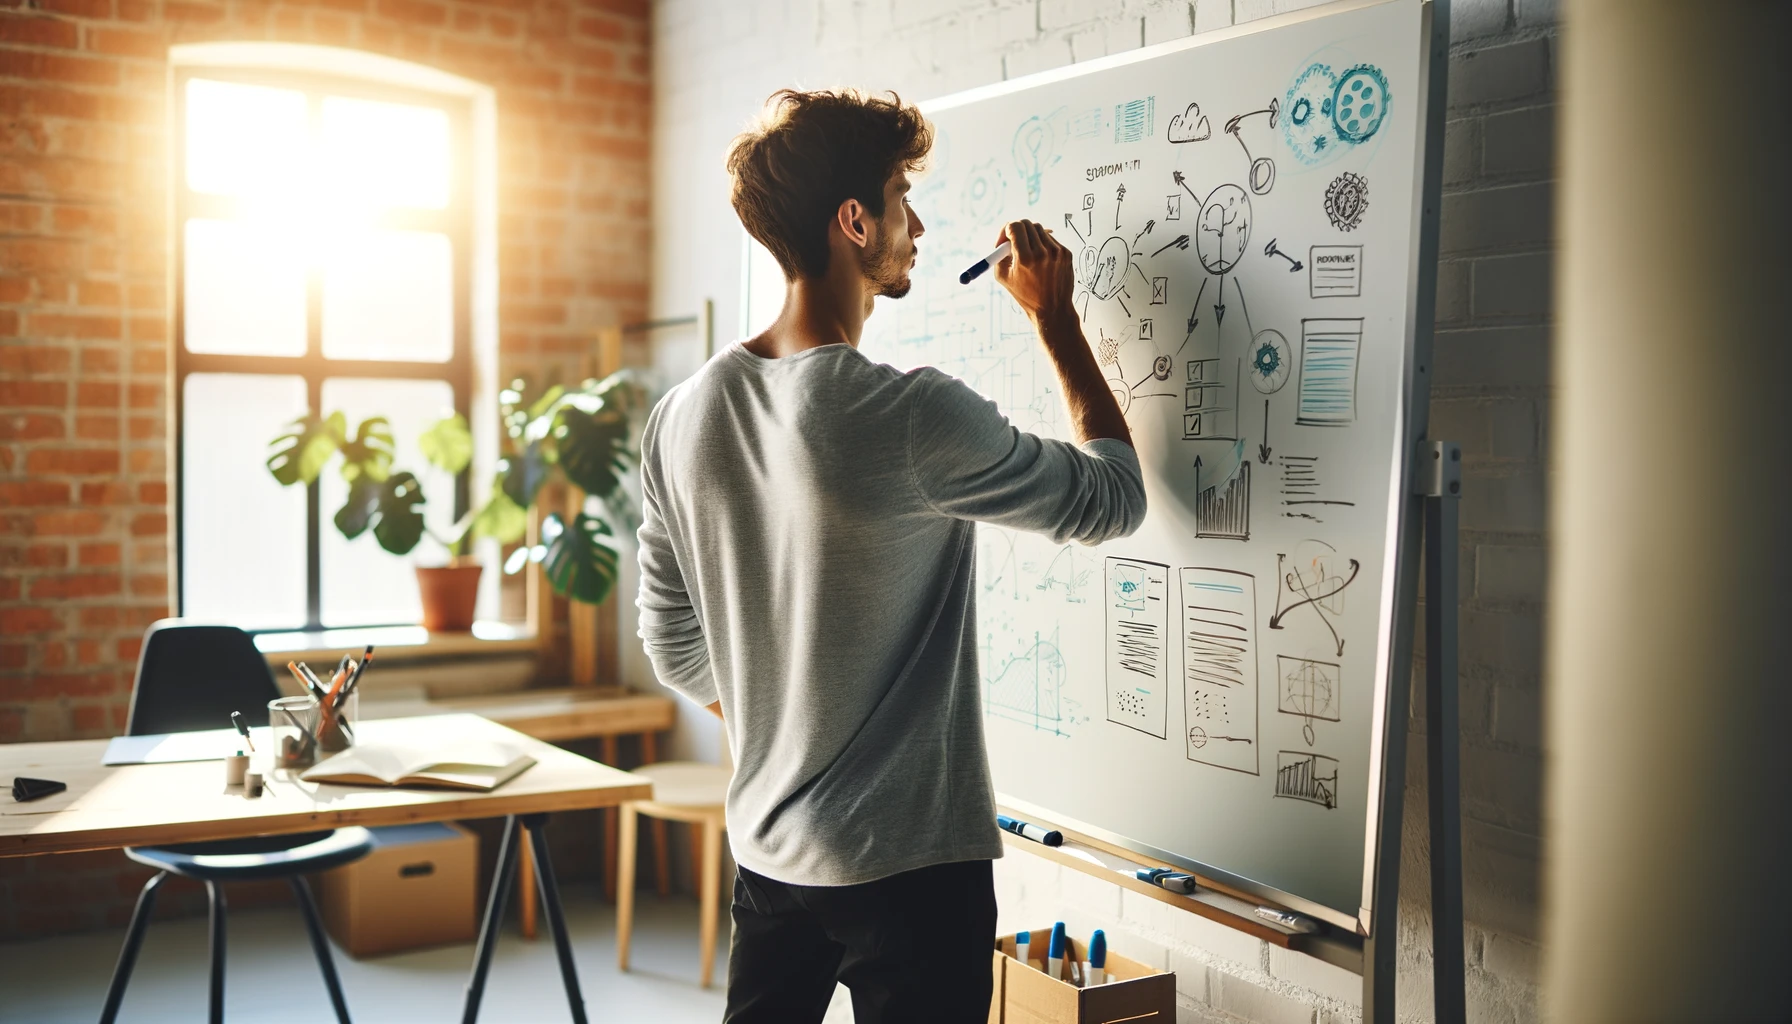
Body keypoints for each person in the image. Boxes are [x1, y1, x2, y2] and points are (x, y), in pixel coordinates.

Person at [634, 88, 1147, 1024]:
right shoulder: (909, 415)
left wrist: (786, 717)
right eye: (902, 196)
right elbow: (1114, 497)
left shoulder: (683, 416)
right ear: (854, 221)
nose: (916, 222)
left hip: (768, 854)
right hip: (911, 870)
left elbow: (671, 646)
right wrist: (1056, 321)